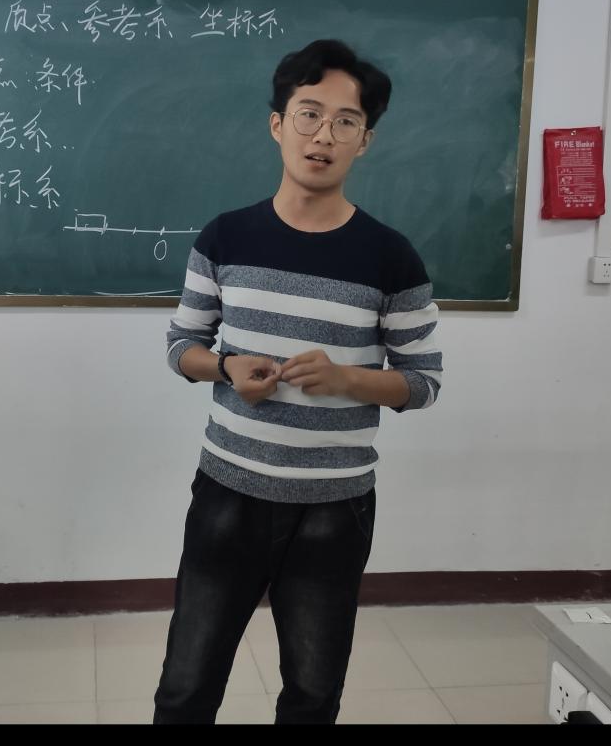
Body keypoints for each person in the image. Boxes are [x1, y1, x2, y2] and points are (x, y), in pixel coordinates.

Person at [154, 39, 443, 724]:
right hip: (228, 491)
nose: (323, 136)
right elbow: (181, 346)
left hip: (334, 509)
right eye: (309, 114)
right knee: (187, 686)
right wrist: (226, 366)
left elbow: (423, 382)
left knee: (313, 695)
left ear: (365, 141)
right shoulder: (225, 238)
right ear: (277, 123)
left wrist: (348, 378)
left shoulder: (390, 257)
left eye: (346, 122)